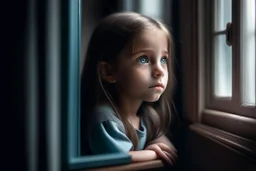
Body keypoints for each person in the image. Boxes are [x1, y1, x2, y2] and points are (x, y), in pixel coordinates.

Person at [81, 12, 177, 165]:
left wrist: (159, 142)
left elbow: (166, 145)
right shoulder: (104, 120)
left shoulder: (148, 116)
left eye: (163, 59)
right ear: (109, 71)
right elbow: (121, 159)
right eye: (143, 59)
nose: (160, 70)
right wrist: (153, 152)